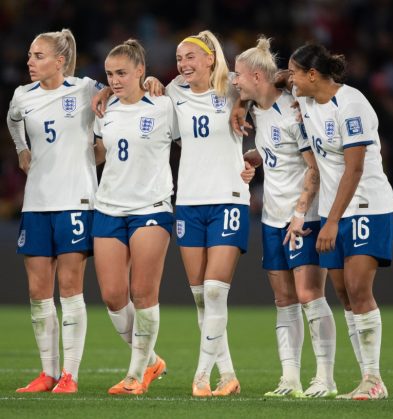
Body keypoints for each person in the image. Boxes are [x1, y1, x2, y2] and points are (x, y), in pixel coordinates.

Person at [288, 43, 393, 400]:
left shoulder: (351, 105)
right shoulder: (305, 98)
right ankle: (367, 378)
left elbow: (355, 168)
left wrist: (331, 221)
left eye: (295, 73)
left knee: (358, 288)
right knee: (344, 294)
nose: (291, 80)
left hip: (365, 206)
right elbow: (275, 80)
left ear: (312, 75)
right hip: (333, 211)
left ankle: (374, 379)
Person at [232, 37, 337, 398]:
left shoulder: (294, 110)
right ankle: (289, 378)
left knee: (310, 294)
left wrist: (299, 213)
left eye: (239, 75)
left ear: (257, 77)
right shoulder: (257, 111)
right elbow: (278, 152)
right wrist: (256, 158)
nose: (235, 81)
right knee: (283, 299)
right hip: (272, 217)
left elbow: (314, 168)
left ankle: (324, 377)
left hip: (304, 217)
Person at [6, 29, 103, 393]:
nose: (30, 61)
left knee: (70, 288)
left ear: (60, 61)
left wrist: (100, 146)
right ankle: (47, 373)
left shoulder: (85, 89)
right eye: (30, 55)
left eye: (39, 56)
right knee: (37, 292)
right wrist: (21, 148)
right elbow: (13, 120)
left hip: (75, 200)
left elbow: (120, 94)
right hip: (37, 202)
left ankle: (70, 375)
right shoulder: (22, 95)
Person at [167, 30, 251, 397]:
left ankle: (201, 376)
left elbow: (276, 80)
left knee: (216, 291)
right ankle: (228, 375)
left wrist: (243, 103)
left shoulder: (234, 87)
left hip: (228, 199)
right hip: (188, 201)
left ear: (209, 59)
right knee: (202, 296)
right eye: (179, 58)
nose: (183, 64)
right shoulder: (172, 92)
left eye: (190, 57)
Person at [92, 39, 177, 395]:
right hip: (108, 206)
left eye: (122, 73)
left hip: (151, 207)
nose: (114, 80)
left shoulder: (164, 105)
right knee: (113, 296)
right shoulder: (104, 108)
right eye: (110, 74)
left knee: (143, 293)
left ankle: (135, 375)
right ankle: (152, 360)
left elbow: (194, 140)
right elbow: (100, 153)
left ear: (141, 71)